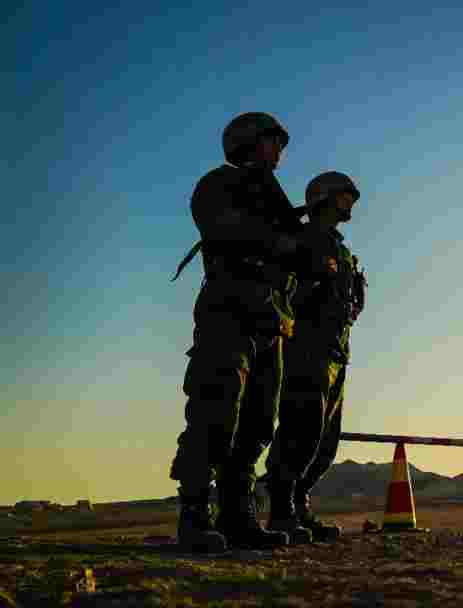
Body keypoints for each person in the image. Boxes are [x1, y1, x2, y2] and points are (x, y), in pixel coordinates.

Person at [169, 112, 307, 552]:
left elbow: (299, 257)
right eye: (273, 142)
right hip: (229, 313)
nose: (280, 151)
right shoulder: (217, 184)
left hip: (272, 320)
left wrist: (305, 245)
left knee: (258, 424)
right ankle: (194, 515)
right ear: (249, 142)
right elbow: (226, 229)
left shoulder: (275, 196)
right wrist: (279, 240)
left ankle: (238, 516)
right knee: (215, 413)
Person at [263, 171, 364, 542]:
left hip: (336, 349)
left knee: (325, 437)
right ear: (324, 197)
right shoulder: (303, 240)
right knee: (300, 428)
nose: (351, 203)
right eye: (344, 196)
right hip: (306, 346)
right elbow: (287, 288)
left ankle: (300, 505)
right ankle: (282, 509)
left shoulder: (338, 246)